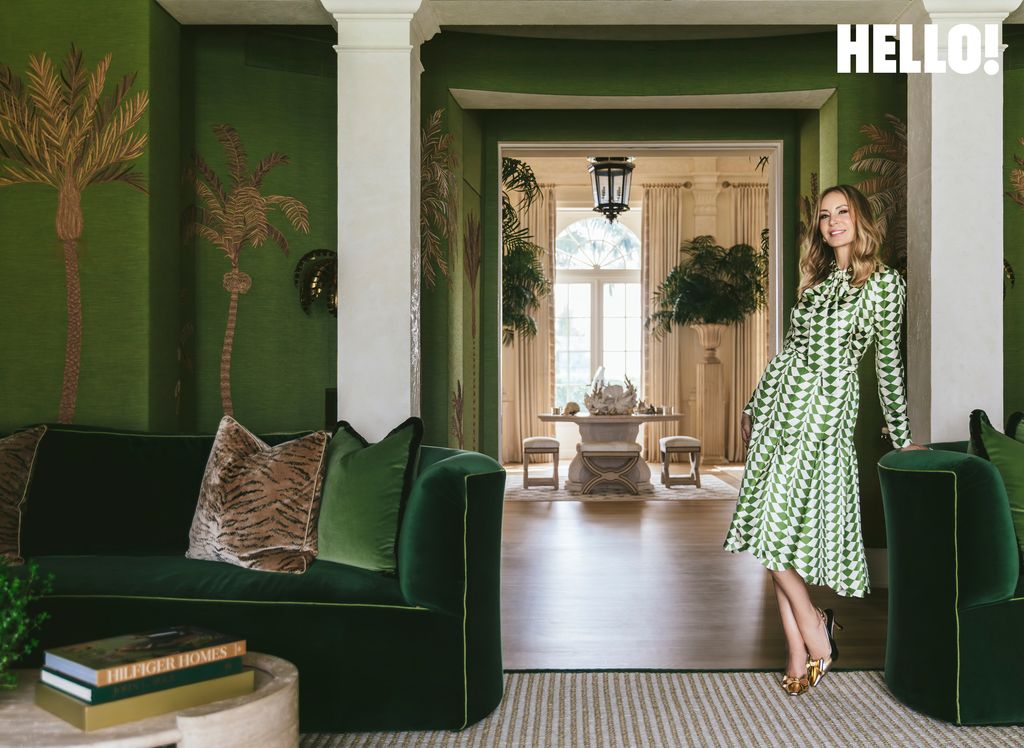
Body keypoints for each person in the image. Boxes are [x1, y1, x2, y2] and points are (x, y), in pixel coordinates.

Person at [722, 184, 929, 697]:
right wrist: (753, 403)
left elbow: (887, 365)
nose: (833, 221)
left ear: (860, 220)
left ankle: (815, 627)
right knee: (771, 530)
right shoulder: (815, 283)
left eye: (843, 212)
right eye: (824, 215)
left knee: (774, 531)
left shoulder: (883, 284)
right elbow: (788, 352)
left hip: (824, 410)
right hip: (780, 407)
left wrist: (901, 438)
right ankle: (799, 645)